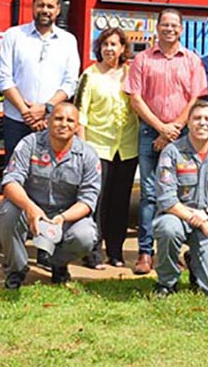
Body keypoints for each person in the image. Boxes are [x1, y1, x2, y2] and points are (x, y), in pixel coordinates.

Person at [124, 8, 208, 275]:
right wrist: (161, 128)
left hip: (184, 136)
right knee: (150, 195)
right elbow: (135, 98)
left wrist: (174, 129)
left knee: (181, 194)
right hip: (151, 134)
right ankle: (145, 253)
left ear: (181, 29)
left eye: (174, 25)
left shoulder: (192, 61)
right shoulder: (142, 60)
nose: (169, 29)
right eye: (165, 24)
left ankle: (170, 251)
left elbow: (196, 98)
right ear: (157, 28)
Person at [0, 102, 100, 289]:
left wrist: (62, 218)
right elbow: (10, 182)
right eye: (58, 118)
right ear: (48, 121)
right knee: (8, 214)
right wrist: (31, 209)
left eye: (70, 120)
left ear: (77, 127)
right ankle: (16, 270)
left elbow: (87, 201)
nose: (63, 124)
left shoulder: (88, 155)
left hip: (65, 215)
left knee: (86, 235)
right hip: (30, 208)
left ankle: (58, 264)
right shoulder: (30, 144)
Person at [153, 100, 208, 297]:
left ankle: (194, 262)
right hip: (177, 219)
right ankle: (167, 282)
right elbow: (167, 200)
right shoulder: (172, 152)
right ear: (189, 123)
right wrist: (202, 223)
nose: (202, 123)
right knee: (168, 228)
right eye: (197, 118)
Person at [75, 27, 139, 268]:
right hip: (97, 148)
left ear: (123, 48)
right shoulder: (89, 76)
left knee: (120, 202)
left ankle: (116, 251)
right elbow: (80, 114)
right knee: (97, 202)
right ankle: (92, 252)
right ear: (99, 48)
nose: (110, 48)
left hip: (127, 148)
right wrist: (82, 149)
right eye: (105, 44)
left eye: (114, 44)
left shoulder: (131, 74)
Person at [0, 0, 80, 157]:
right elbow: (3, 77)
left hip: (51, 122)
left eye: (50, 6)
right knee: (14, 173)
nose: (45, 10)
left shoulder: (68, 41)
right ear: (33, 7)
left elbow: (70, 82)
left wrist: (46, 109)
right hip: (16, 120)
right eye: (41, 5)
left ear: (58, 10)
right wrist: (26, 112)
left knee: (47, 177)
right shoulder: (13, 35)